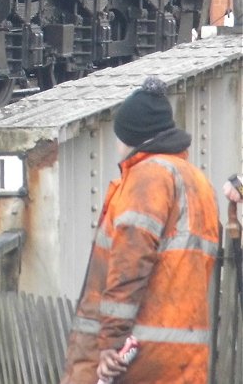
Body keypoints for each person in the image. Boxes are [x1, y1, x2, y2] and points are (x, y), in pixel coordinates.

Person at [61, 77, 221, 384]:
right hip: (185, 358)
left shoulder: (148, 177)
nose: (117, 145)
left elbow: (129, 267)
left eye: (120, 136)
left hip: (138, 358)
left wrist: (110, 344)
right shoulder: (198, 183)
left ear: (133, 137)